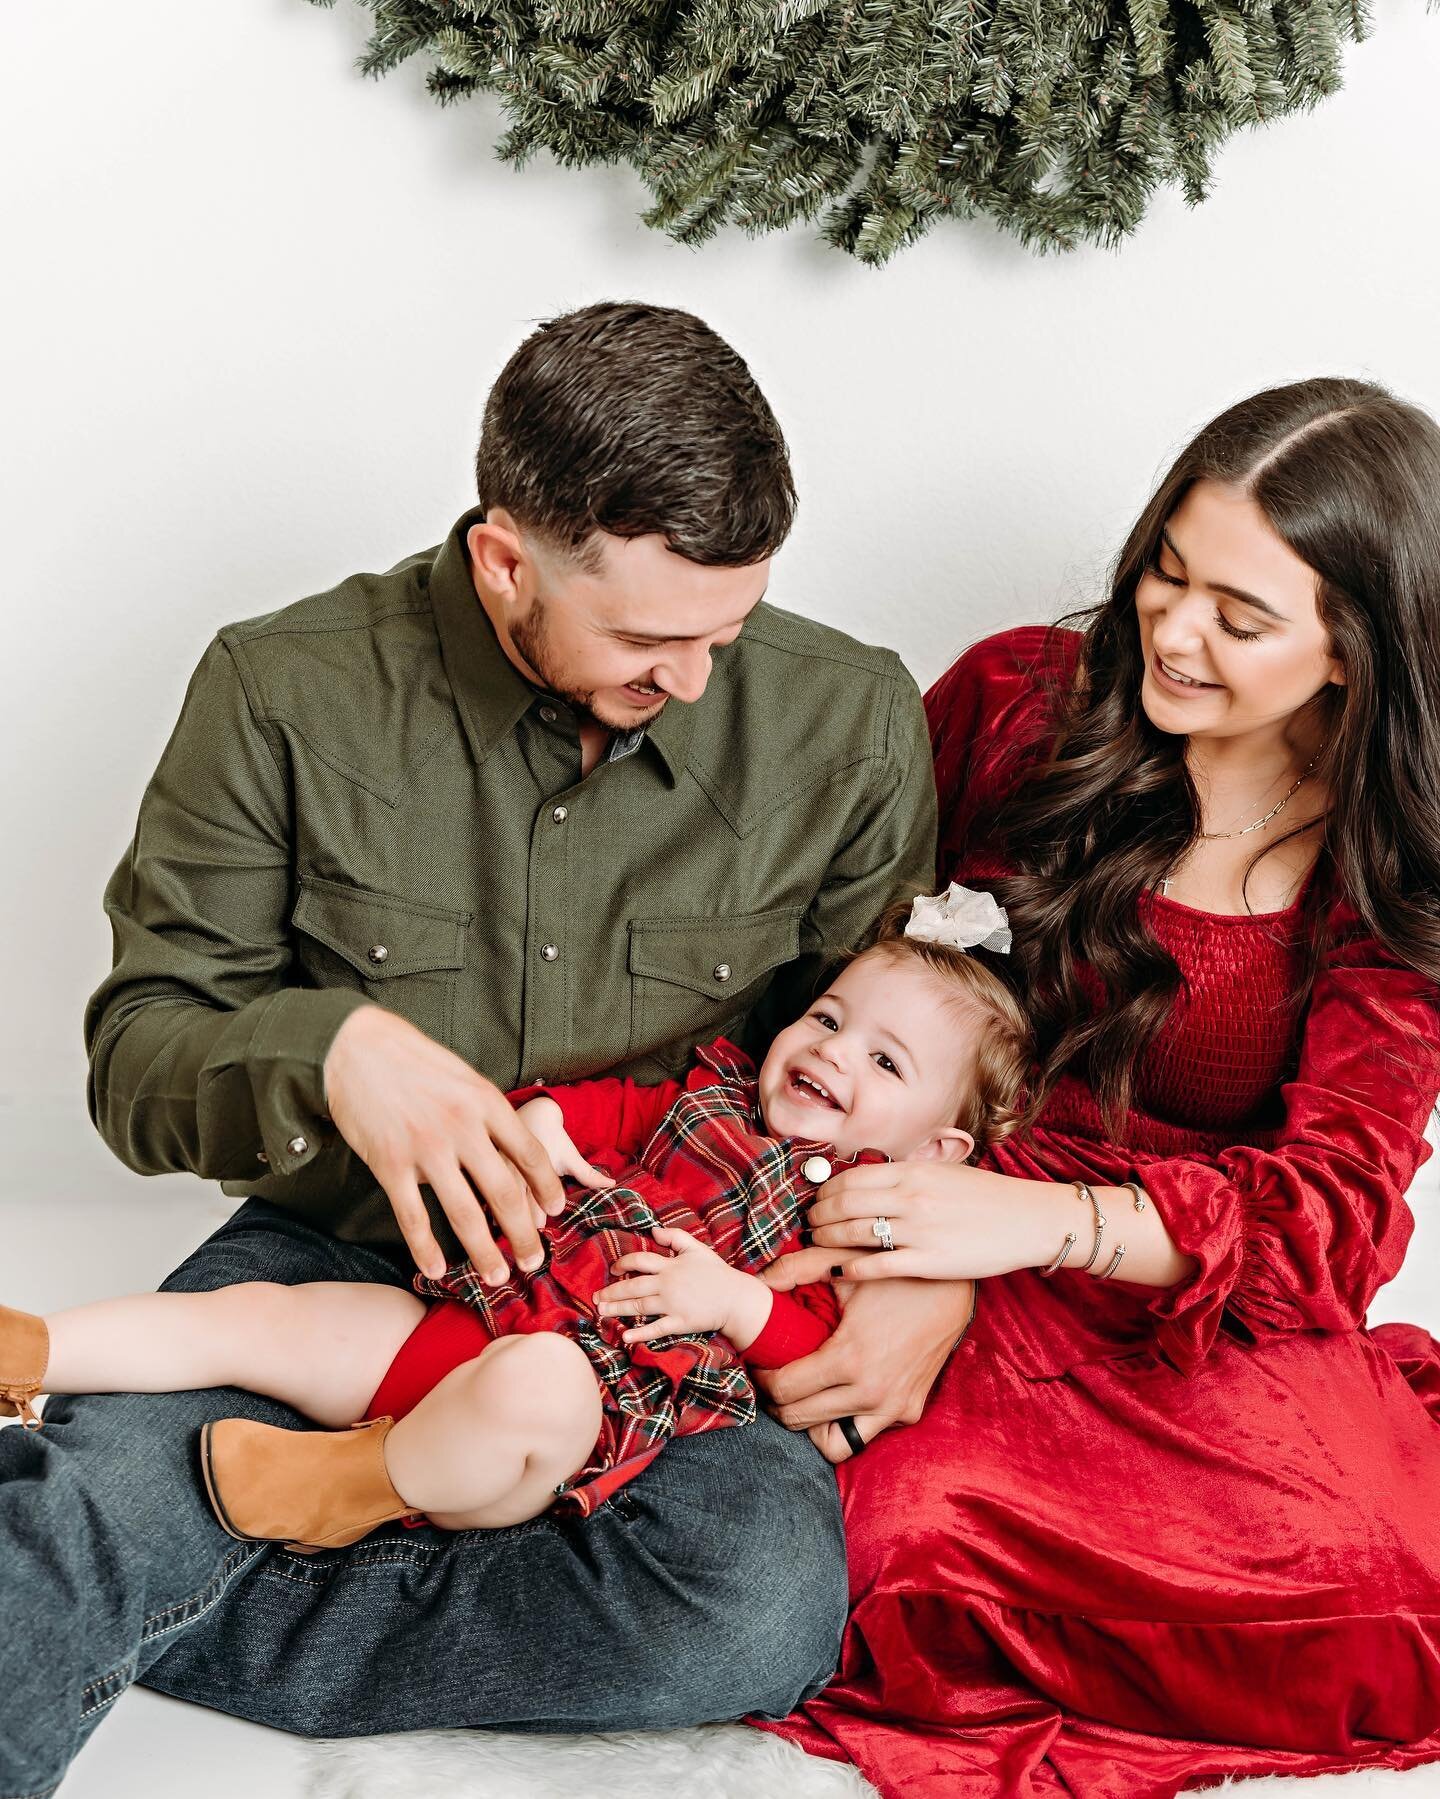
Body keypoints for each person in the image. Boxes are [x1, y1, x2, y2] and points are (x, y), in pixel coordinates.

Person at [0, 301, 954, 1799]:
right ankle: (134, 1544)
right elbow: (136, 1058)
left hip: (657, 1311)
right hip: (355, 1259)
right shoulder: (283, 687)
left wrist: (918, 1269)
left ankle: (202, 1558)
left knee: (762, 1606)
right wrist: (337, 1050)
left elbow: (885, 1058)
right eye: (647, 636)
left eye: (730, 627)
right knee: (113, 1498)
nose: (698, 677)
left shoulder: (847, 721)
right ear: (506, 559)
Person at [756, 377, 1440, 1794]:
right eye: (1165, 575)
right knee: (895, 1549)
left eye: (1240, 618)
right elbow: (834, 972)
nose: (1173, 634)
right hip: (912, 1203)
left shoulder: (1391, 865)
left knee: (1391, 1581)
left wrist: (1044, 1225)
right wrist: (923, 1237)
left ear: (1353, 655)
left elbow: (1337, 1212)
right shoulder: (1015, 701)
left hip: (1188, 1296)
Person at [1, 896, 1031, 1553]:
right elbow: (600, 1113)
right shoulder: (707, 1094)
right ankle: (42, 1347)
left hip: (561, 1410)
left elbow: (821, 1352)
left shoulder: (862, 1221)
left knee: (538, 1384)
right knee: (264, 1314)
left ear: (939, 1148)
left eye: (886, 1062)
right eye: (828, 1018)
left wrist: (741, 1302)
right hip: (466, 1310)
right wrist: (540, 1119)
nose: (835, 1051)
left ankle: (350, 1481)